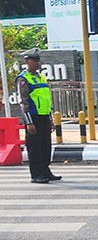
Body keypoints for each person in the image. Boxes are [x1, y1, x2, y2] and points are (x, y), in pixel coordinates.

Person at [16, 48, 60, 184]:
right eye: (34, 60)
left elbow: (47, 100)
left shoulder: (41, 77)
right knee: (34, 147)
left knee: (45, 145)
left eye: (38, 60)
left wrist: (50, 118)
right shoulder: (23, 79)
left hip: (44, 117)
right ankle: (36, 174)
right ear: (27, 61)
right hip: (33, 117)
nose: (37, 63)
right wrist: (29, 122)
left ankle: (46, 170)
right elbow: (23, 102)